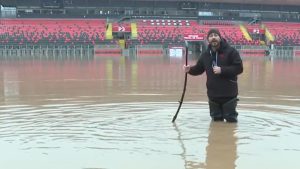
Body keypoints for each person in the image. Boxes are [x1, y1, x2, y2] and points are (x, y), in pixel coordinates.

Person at [183, 28, 243, 122]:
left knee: (231, 121)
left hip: (229, 95)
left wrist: (222, 70)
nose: (213, 38)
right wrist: (189, 69)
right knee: (216, 121)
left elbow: (239, 68)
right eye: (211, 36)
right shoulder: (205, 55)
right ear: (208, 40)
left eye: (215, 35)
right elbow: (198, 69)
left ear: (220, 37)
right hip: (213, 96)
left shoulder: (231, 52)